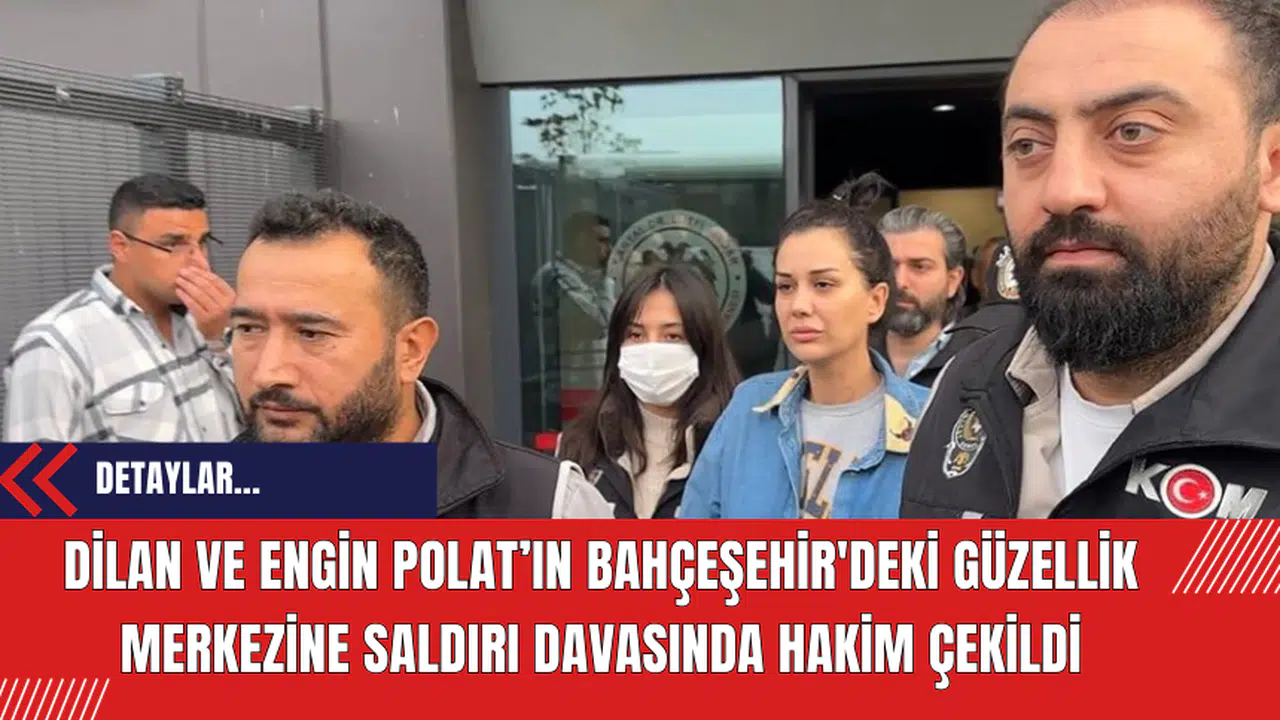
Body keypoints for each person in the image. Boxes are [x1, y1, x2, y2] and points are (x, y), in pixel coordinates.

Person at [901, 0, 1280, 519]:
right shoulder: (964, 387)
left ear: (1271, 167)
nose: (1062, 191)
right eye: (1028, 144)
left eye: (1133, 131)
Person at [229, 189, 614, 519]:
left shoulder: (548, 510)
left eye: (312, 334)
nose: (268, 372)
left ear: (411, 350)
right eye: (249, 328)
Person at [679, 174, 930, 519]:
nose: (798, 305)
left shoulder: (930, 422)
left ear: (876, 300)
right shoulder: (750, 407)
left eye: (823, 284)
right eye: (785, 286)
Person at [3, 174, 241, 442]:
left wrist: (223, 337)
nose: (200, 263)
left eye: (203, 242)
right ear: (121, 247)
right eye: (173, 244)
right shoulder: (55, 346)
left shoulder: (206, 321)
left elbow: (259, 421)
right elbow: (33, 469)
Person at [556, 264, 741, 518]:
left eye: (672, 336)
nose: (652, 351)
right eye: (636, 335)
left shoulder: (739, 444)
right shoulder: (581, 444)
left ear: (704, 344)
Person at [876, 205, 968, 386]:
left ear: (953, 281)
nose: (900, 282)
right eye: (890, 266)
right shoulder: (847, 355)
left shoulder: (978, 362)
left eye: (920, 267)